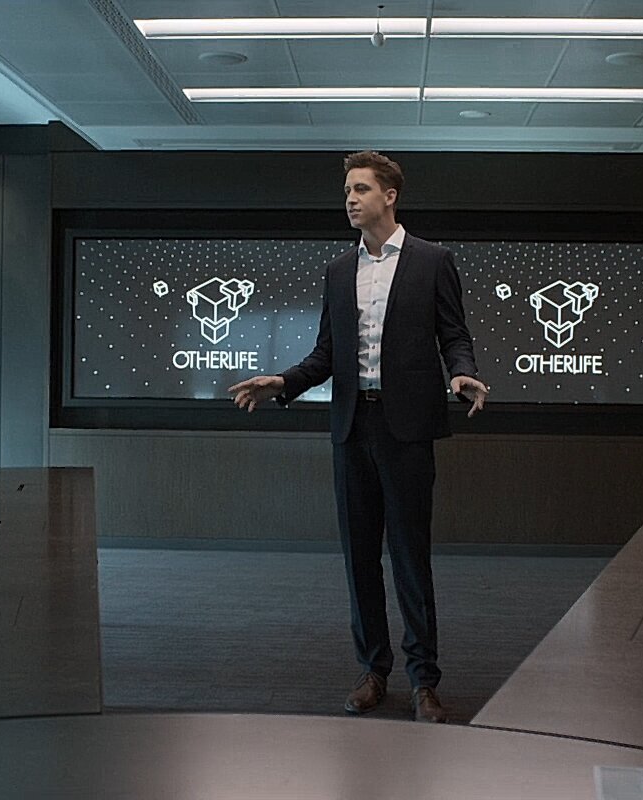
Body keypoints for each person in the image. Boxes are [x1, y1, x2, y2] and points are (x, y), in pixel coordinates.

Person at [227, 151, 488, 724]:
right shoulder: (338, 270)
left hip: (406, 428)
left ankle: (424, 680)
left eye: (361, 188)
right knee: (360, 559)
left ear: (389, 196)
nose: (350, 198)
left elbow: (454, 334)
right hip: (351, 427)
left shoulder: (433, 260)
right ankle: (374, 670)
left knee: (410, 558)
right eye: (347, 189)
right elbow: (327, 353)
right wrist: (283, 382)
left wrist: (461, 372)